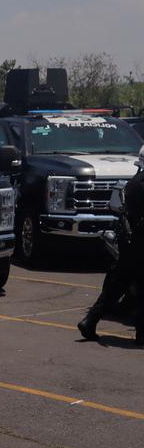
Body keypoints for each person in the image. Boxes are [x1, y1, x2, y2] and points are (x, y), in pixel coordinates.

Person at [78, 146, 144, 344]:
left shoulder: (134, 182)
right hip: (138, 242)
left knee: (118, 284)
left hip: (130, 242)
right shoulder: (140, 184)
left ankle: (90, 321)